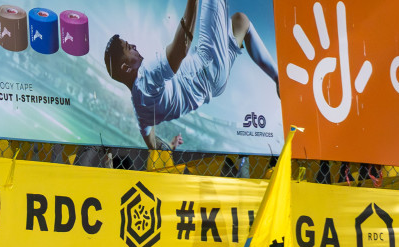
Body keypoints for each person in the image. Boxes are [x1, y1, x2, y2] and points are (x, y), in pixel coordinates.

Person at [103, 0, 278, 151]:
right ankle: (278, 77)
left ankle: (278, 79)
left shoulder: (139, 108)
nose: (133, 45)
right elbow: (181, 49)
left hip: (215, 84)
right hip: (207, 63)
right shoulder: (146, 76)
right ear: (126, 68)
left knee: (240, 22)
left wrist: (168, 148)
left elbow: (151, 140)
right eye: (128, 47)